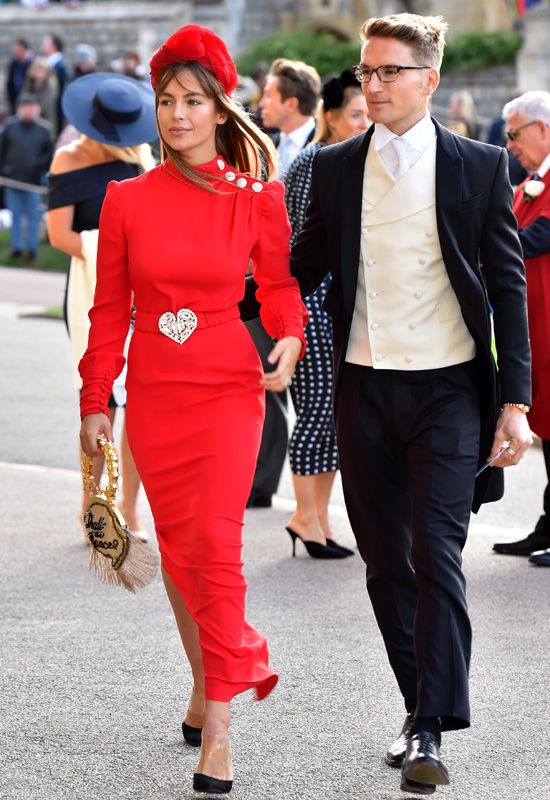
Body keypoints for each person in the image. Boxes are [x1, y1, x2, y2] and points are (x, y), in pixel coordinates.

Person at [240, 12, 533, 794]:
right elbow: (295, 269)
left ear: (429, 80)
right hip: (364, 387)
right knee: (384, 565)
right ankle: (416, 709)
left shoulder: (479, 165)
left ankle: (432, 725)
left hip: (449, 390)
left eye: (389, 72)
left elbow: (507, 287)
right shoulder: (334, 169)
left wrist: (516, 403)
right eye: (366, 72)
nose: (372, 86)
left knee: (436, 555)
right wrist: (228, 290)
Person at [78, 24, 307, 795]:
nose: (177, 115)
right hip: (155, 394)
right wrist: (94, 400)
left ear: (219, 108)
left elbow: (277, 288)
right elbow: (109, 312)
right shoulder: (125, 199)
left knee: (215, 550)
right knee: (181, 560)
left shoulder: (256, 197)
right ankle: (209, 682)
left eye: (193, 101)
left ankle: (220, 731)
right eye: (167, 101)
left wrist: (290, 335)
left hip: (226, 392)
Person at [47, 73, 157, 541]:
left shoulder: (142, 160)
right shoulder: (67, 159)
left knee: (137, 402)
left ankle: (129, 510)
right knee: (98, 400)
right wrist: (109, 255)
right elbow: (59, 236)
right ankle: (95, 507)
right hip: (90, 291)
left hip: (142, 293)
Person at [283, 69, 370, 558]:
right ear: (331, 117)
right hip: (312, 306)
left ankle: (319, 516)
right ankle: (303, 516)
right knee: (316, 412)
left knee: (337, 416)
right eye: (355, 114)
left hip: (343, 306)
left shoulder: (354, 161)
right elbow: (300, 248)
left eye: (366, 114)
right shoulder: (313, 162)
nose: (364, 121)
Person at [245, 57, 321, 509]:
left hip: (312, 287)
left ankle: (314, 503)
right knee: (265, 377)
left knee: (313, 395)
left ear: (291, 102)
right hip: (263, 284)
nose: (262, 103)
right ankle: (262, 480)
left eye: (269, 95)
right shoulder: (259, 147)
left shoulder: (326, 147)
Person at [492, 91, 550, 565]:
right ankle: (548, 524)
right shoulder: (532, 180)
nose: (508, 143)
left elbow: (535, 236)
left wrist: (488, 240)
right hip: (536, 326)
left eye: (513, 133)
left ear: (542, 129)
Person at [0, 94, 54, 260]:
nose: (29, 111)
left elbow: (49, 155)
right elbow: (2, 151)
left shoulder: (44, 130)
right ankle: (16, 247)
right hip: (12, 178)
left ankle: (32, 248)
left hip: (33, 181)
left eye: (32, 107)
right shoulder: (10, 127)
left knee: (33, 215)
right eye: (26, 107)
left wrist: (39, 169)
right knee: (15, 214)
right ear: (20, 109)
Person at [22, 57, 59, 130]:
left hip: (46, 119)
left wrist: (33, 109)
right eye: (37, 71)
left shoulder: (51, 84)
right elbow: (22, 99)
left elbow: (47, 103)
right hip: (28, 119)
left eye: (41, 71)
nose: (39, 74)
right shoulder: (28, 84)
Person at [41, 33, 69, 132]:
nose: (43, 45)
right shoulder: (49, 63)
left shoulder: (60, 66)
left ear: (54, 46)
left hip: (55, 107)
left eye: (46, 43)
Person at [6, 38, 34, 115]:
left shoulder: (33, 62)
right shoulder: (14, 63)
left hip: (28, 99)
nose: (15, 52)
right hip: (14, 98)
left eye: (18, 49)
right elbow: (10, 82)